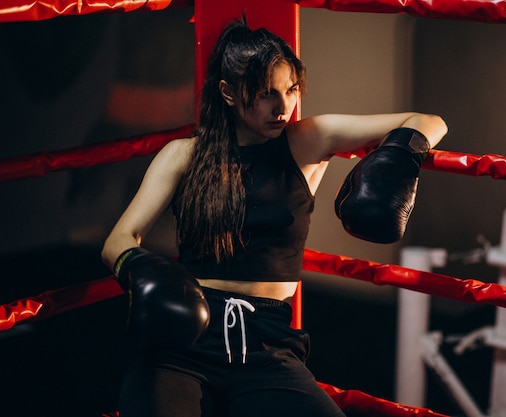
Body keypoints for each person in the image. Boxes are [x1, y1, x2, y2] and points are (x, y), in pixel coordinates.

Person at [101, 18, 447, 417]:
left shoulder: (307, 141)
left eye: (291, 90)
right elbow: (119, 239)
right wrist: (145, 273)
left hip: (267, 347)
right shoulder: (184, 155)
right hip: (186, 339)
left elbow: (428, 122)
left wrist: (396, 161)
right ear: (229, 93)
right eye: (267, 94)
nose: (284, 107)